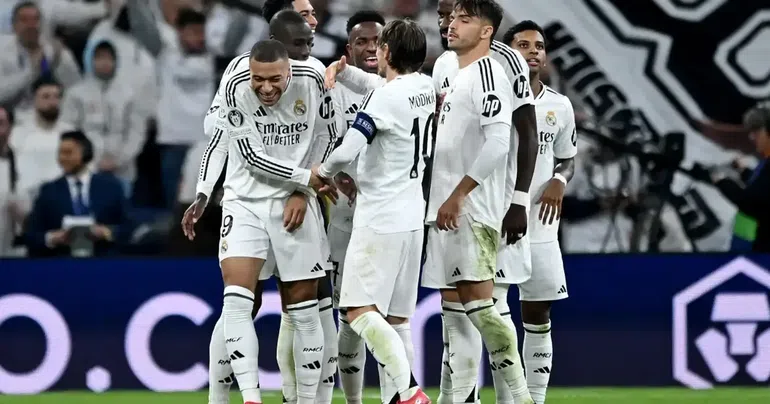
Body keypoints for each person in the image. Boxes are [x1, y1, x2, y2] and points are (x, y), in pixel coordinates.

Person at [183, 39, 336, 404]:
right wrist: (203, 192)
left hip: (294, 206)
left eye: (274, 79)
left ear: (289, 70)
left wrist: (302, 192)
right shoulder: (235, 83)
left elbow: (328, 135)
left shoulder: (314, 78)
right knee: (237, 303)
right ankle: (248, 398)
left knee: (304, 312)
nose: (265, 88)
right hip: (245, 203)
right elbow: (240, 151)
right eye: (258, 79)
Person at [311, 18, 433, 404]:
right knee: (397, 321)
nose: (375, 50)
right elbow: (378, 84)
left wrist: (322, 172)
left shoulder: (385, 99)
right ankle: (401, 398)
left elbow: (349, 148)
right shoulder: (424, 87)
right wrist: (345, 72)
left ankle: (409, 392)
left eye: (379, 45)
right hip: (412, 218)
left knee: (358, 311)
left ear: (387, 52)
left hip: (380, 217)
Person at [423, 0, 536, 403]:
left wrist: (460, 194)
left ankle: (521, 397)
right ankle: (457, 398)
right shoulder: (451, 69)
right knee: (455, 314)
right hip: (445, 209)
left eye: (464, 19)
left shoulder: (490, 72)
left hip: (470, 209)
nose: (451, 25)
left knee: (482, 308)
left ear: (486, 31)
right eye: (451, 18)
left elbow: (501, 141)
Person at [502, 21, 577, 404]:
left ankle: (534, 398)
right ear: (506, 53)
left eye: (539, 46)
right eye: (524, 44)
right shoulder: (493, 100)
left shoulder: (559, 105)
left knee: (538, 314)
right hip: (499, 220)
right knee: (494, 314)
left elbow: (568, 158)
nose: (534, 51)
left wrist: (560, 180)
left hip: (542, 225)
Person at [325, 9, 388, 404]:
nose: (369, 48)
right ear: (348, 48)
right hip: (345, 217)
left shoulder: (402, 87)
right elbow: (318, 141)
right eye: (361, 41)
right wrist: (334, 174)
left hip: (388, 216)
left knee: (385, 315)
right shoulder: (332, 88)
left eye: (376, 41)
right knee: (348, 314)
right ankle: (353, 401)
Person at [126, 4, 215, 209]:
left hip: (204, 143)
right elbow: (142, 26)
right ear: (179, 33)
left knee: (203, 206)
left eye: (201, 32)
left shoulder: (215, 59)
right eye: (193, 32)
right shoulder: (165, 55)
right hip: (173, 142)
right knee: (175, 207)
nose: (199, 37)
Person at [60, 40, 146, 196]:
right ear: (91, 61)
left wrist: (118, 160)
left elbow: (137, 132)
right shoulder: (76, 94)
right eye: (99, 58)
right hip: (86, 167)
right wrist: (90, 160)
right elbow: (69, 131)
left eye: (109, 58)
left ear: (115, 62)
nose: (104, 63)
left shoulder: (129, 94)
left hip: (122, 169)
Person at [24, 130, 127, 257]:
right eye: (60, 153)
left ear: (86, 153)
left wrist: (105, 232)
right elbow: (32, 236)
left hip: (102, 261)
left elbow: (129, 228)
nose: (62, 158)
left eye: (68, 152)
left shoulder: (111, 187)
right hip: (62, 262)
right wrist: (53, 238)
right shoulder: (48, 191)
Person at [707, 102, 770, 252]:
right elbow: (761, 188)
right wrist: (743, 171)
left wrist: (722, 181)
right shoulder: (766, 161)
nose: (751, 137)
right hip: (747, 243)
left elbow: (751, 203)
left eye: (756, 132)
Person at [0, 1, 81, 115]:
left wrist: (58, 65)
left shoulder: (56, 52)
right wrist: (31, 72)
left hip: (52, 115)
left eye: (35, 20)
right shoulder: (3, 51)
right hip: (14, 117)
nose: (31, 25)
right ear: (14, 25)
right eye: (24, 20)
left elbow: (77, 91)